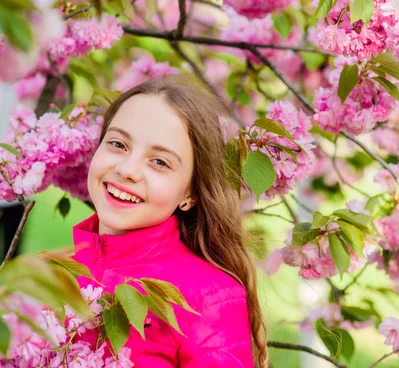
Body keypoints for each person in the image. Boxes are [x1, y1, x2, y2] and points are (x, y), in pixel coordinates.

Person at [71, 73, 268, 367]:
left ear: (190, 194)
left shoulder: (208, 299)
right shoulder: (54, 270)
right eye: (118, 144)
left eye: (159, 162)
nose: (128, 169)